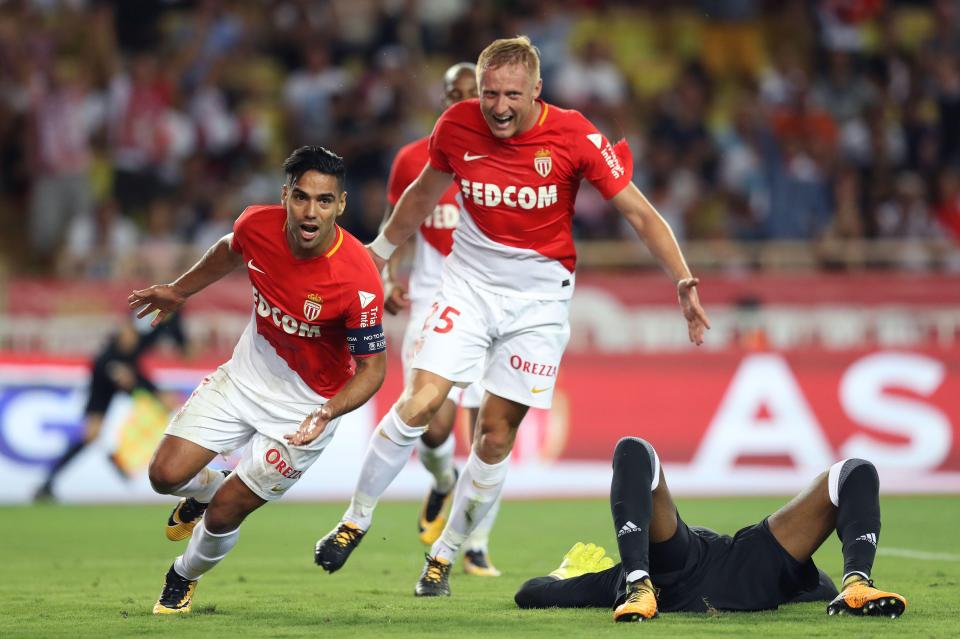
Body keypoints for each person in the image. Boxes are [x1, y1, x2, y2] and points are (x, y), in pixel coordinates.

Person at [315, 36, 710, 597]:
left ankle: (444, 556)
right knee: (422, 402)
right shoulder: (456, 125)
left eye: (512, 95)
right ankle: (355, 518)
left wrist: (682, 279)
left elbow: (640, 215)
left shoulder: (574, 134)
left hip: (541, 303)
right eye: (490, 94)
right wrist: (377, 253)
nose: (499, 107)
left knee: (495, 436)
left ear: (537, 90)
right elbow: (422, 196)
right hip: (468, 287)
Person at [129, 145, 387, 614]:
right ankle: (209, 488)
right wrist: (180, 291)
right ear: (285, 196)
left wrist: (326, 412)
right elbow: (230, 249)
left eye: (325, 201)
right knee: (163, 476)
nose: (312, 212)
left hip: (306, 408)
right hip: (246, 375)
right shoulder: (256, 225)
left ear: (341, 205)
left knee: (228, 509)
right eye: (302, 197)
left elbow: (374, 369)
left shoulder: (357, 278)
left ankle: (182, 575)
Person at [316, 62, 501, 578]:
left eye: (475, 92)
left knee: (491, 429)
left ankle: (476, 545)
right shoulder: (415, 159)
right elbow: (397, 222)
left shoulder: (509, 156)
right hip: (430, 302)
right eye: (456, 93)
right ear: (443, 100)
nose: (466, 100)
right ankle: (443, 482)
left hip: (494, 308)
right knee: (436, 427)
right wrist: (389, 278)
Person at [514, 437, 908, 622]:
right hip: (753, 567)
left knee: (633, 448)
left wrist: (564, 573)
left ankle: (640, 584)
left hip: (673, 568)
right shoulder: (761, 565)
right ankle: (856, 581)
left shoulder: (610, 578)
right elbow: (815, 584)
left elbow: (531, 592)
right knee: (854, 471)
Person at [33, 312, 187, 501]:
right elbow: (126, 349)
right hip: (109, 370)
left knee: (150, 408)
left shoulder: (169, 318)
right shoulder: (150, 313)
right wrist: (154, 392)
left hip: (124, 369)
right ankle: (49, 482)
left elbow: (180, 349)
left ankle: (120, 459)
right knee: (93, 433)